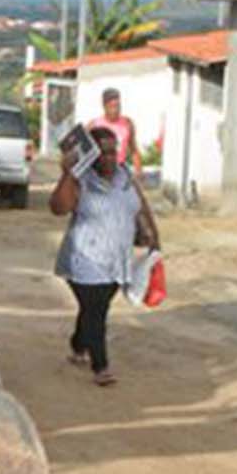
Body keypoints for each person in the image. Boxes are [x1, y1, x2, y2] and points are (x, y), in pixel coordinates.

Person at [49, 125, 159, 386]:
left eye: (114, 152)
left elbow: (141, 208)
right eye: (103, 152)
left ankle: (78, 343)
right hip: (84, 259)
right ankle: (101, 366)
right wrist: (67, 173)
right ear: (90, 154)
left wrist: (153, 237)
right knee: (96, 312)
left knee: (95, 309)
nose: (110, 158)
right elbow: (58, 208)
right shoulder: (80, 179)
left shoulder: (125, 177)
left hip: (115, 261)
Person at [88, 88, 139, 178]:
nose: (116, 110)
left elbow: (134, 149)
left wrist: (138, 170)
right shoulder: (94, 124)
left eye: (118, 106)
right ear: (104, 106)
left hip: (119, 169)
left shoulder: (127, 123)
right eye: (112, 106)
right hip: (100, 171)